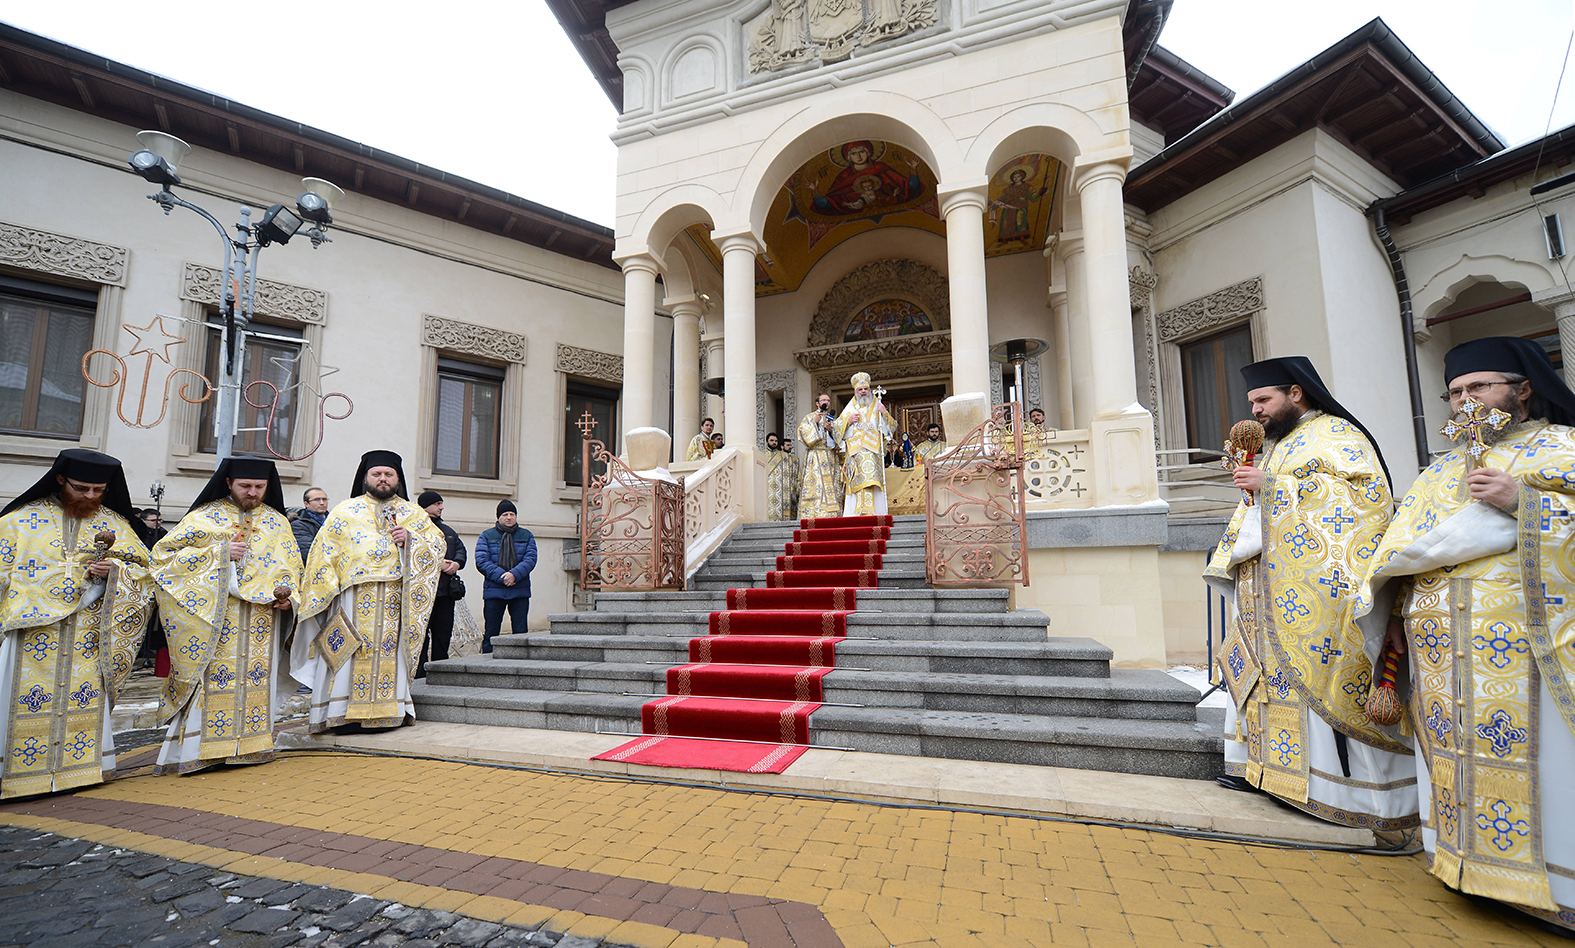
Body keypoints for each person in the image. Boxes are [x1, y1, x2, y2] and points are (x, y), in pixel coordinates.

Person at [1356, 337, 1575, 931]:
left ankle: (1554, 886)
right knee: (1453, 756)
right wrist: (1395, 619)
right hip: (1438, 655)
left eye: (1477, 387)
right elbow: (1399, 554)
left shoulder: (1562, 447)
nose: (1463, 401)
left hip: (1527, 651)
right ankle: (1467, 869)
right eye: (1454, 392)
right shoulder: (1440, 472)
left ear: (1522, 389)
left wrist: (1523, 501)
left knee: (1543, 762)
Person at [1202, 357, 1414, 831]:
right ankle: (1265, 772)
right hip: (1266, 590)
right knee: (1262, 680)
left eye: (1264, 400)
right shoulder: (1279, 444)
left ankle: (1332, 788)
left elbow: (1366, 505)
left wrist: (1273, 486)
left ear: (1296, 393)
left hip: (1316, 594)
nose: (1255, 410)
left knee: (1314, 681)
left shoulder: (1338, 435)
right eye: (1253, 402)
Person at [0, 449, 153, 799]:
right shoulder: (19, 521)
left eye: (98, 490)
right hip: (30, 634)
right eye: (82, 488)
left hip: (89, 635)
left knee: (84, 700)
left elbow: (146, 574)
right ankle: (16, 775)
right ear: (60, 480)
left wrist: (116, 573)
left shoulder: (116, 525)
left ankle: (80, 770)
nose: (90, 497)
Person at [149, 457, 301, 775]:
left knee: (256, 682)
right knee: (213, 682)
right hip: (215, 619)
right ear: (229, 483)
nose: (252, 492)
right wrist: (218, 555)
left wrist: (291, 602)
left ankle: (250, 746)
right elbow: (163, 559)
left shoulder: (278, 521)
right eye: (245, 486)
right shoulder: (203, 517)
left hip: (262, 622)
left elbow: (293, 571)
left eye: (260, 487)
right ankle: (199, 751)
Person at [290, 451, 445, 733]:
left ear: (398, 479)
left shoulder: (414, 514)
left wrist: (412, 541)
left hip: (396, 600)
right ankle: (342, 713)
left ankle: (389, 711)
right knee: (348, 653)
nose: (383, 479)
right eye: (377, 474)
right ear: (366, 478)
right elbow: (322, 554)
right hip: (351, 599)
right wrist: (321, 596)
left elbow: (437, 546)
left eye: (389, 474)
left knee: (390, 653)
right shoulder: (344, 511)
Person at [475, 500, 537, 652]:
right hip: (494, 591)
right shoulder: (487, 536)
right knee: (491, 631)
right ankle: (487, 664)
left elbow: (530, 559)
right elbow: (482, 561)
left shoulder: (526, 535)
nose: (509, 517)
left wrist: (514, 575)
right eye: (505, 514)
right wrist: (503, 576)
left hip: (519, 590)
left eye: (512, 514)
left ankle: (520, 662)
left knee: (521, 632)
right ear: (498, 517)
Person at [416, 489, 466, 677]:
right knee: (420, 637)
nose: (441, 507)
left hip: (445, 594)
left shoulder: (448, 531)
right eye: (437, 504)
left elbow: (461, 549)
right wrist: (439, 563)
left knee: (442, 635)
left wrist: (457, 563)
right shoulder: (414, 528)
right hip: (422, 595)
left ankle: (440, 671)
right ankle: (419, 673)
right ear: (426, 506)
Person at [836, 372, 897, 516]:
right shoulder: (849, 410)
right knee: (857, 483)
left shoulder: (878, 406)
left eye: (866, 389)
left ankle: (875, 513)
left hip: (873, 452)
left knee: (872, 481)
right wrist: (848, 421)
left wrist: (885, 413)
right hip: (855, 454)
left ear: (869, 391)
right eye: (860, 390)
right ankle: (856, 514)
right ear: (855, 392)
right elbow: (836, 429)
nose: (863, 392)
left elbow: (891, 428)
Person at [797, 393, 845, 518]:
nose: (826, 402)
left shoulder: (833, 419)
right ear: (817, 403)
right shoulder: (809, 417)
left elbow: (838, 442)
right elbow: (803, 435)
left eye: (828, 400)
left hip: (830, 457)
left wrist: (830, 431)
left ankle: (832, 514)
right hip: (815, 457)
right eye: (823, 400)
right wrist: (815, 423)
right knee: (817, 486)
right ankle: (815, 514)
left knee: (831, 487)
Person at [765, 432, 798, 522]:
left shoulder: (784, 456)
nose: (774, 442)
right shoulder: (761, 454)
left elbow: (788, 474)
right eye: (771, 441)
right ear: (767, 442)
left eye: (776, 441)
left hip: (781, 490)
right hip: (765, 488)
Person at [292, 486, 328, 561]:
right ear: (306, 504)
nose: (322, 503)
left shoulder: (335, 521)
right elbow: (310, 552)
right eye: (317, 500)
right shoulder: (298, 525)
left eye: (324, 499)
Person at [780, 438, 803, 519]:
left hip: (792, 490)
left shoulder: (795, 460)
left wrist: (798, 488)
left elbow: (798, 475)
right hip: (781, 490)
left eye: (791, 445)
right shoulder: (777, 459)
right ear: (782, 447)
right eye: (788, 445)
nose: (790, 447)